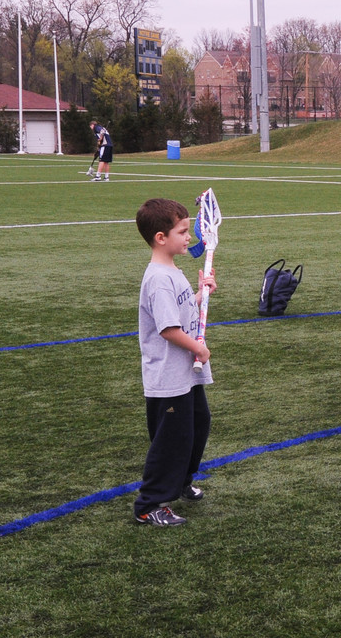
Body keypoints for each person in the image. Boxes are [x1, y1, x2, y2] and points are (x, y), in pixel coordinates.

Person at [134, 198, 216, 526]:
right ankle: (149, 504)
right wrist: (200, 349)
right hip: (169, 377)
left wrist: (200, 294)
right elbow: (168, 329)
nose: (189, 237)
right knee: (172, 439)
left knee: (198, 424)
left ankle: (182, 481)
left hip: (186, 374)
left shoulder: (172, 270)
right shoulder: (157, 279)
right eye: (182, 231)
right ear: (160, 238)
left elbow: (179, 311)